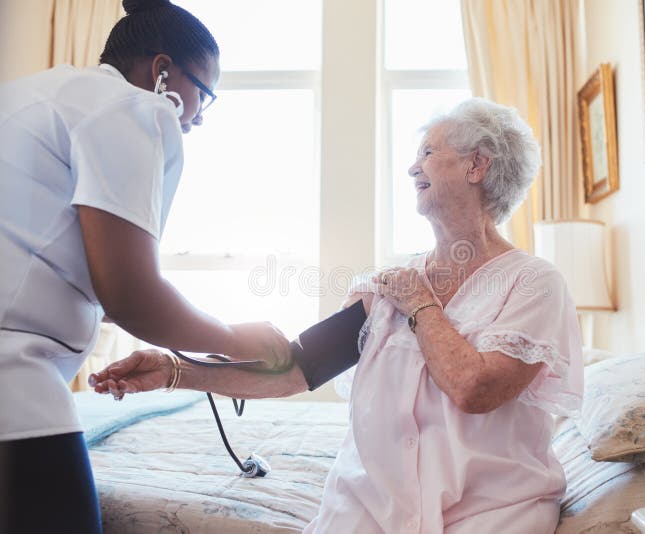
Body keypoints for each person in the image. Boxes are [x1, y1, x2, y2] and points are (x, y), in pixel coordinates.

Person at [92, 98, 583, 533]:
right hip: (371, 509)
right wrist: (174, 372)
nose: (413, 168)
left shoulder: (532, 283)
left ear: (477, 165)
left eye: (428, 154)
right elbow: (294, 370)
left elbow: (475, 388)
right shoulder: (385, 287)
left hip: (492, 511)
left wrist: (421, 304)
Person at [0, 1, 291, 532]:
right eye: (205, 94)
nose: (199, 116)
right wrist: (236, 337)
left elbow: (52, 264)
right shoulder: (132, 108)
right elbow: (130, 295)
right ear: (162, 71)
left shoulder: (34, 95)